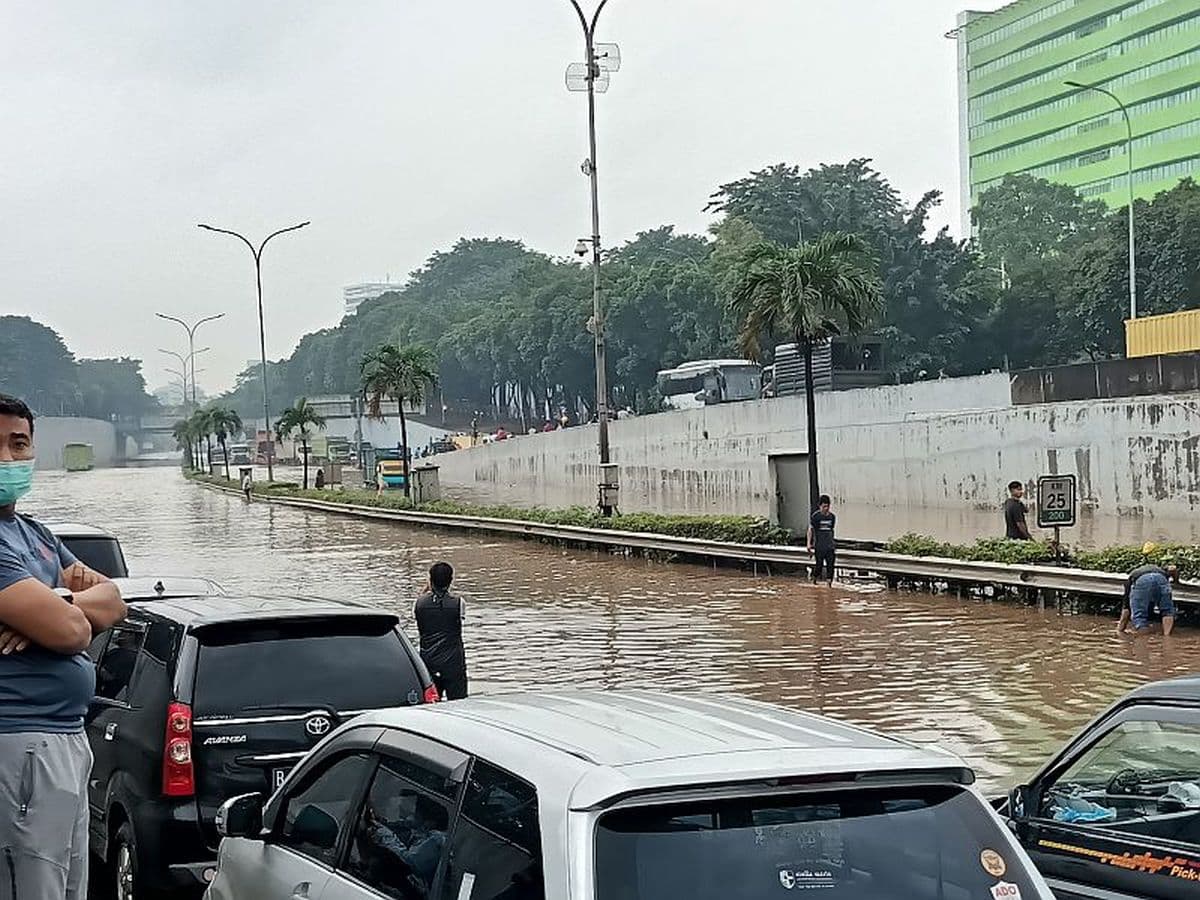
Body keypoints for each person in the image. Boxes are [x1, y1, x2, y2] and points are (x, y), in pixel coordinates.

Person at [0, 394, 127, 900]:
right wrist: (63, 615)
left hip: (66, 738)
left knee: (69, 882)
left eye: (19, 444)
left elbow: (115, 598)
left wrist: (55, 601)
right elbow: (74, 633)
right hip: (20, 742)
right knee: (30, 883)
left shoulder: (34, 534)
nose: (8, 459)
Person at [413, 562, 468, 700]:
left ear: (430, 580)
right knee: (458, 704)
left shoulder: (419, 603)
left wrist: (426, 591)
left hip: (428, 663)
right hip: (454, 664)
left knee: (431, 705)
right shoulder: (459, 603)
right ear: (450, 580)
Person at [1119, 557, 1179, 636]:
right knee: (1167, 611)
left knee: (1139, 616)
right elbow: (1173, 569)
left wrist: (1120, 630)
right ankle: (1167, 637)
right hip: (1161, 578)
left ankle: (1143, 641)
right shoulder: (1160, 569)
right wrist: (1176, 581)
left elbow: (1126, 610)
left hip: (1141, 580)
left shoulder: (1129, 582)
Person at [807, 495, 837, 586]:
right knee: (819, 566)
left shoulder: (832, 517)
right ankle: (814, 579)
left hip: (830, 546)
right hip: (819, 546)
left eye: (827, 506)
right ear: (820, 506)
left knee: (830, 566)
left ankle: (829, 585)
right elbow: (810, 530)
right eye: (824, 506)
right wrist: (809, 543)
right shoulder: (816, 517)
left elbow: (831, 530)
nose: (826, 509)